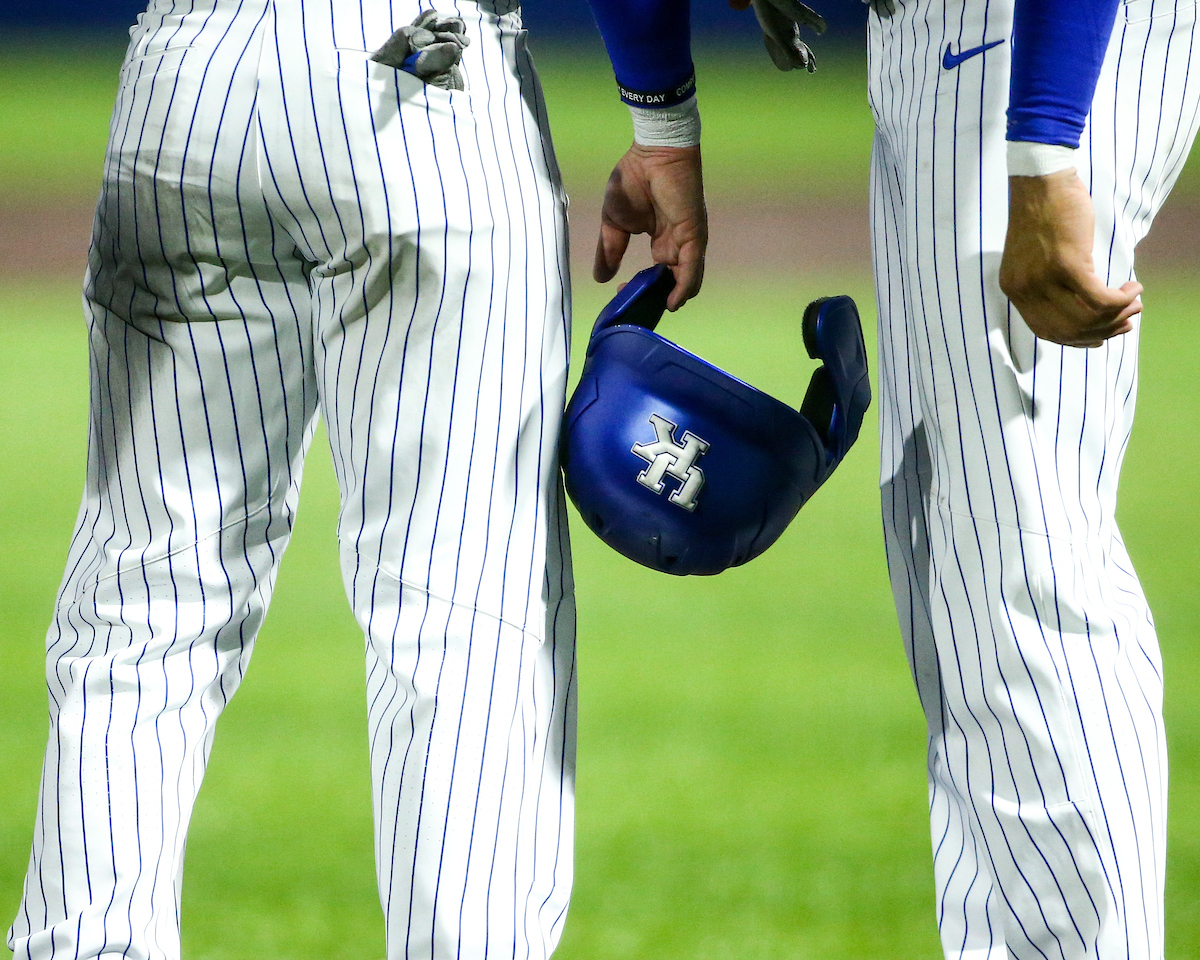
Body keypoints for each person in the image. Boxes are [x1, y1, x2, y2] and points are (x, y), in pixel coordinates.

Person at [6, 2, 704, 959]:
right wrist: (663, 119)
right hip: (415, 69)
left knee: (140, 608)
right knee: (461, 610)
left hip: (184, 79)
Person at [739, 0, 1200, 956]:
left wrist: (1042, 145)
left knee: (1022, 551)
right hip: (954, 51)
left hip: (1027, 54)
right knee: (956, 549)